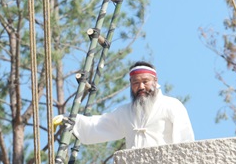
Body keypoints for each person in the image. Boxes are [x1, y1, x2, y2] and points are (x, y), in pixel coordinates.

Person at [60, 61, 195, 149]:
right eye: (135, 83)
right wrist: (71, 119)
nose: (141, 87)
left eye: (145, 81)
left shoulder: (172, 105)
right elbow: (98, 125)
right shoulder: (125, 112)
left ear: (155, 81)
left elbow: (185, 139)